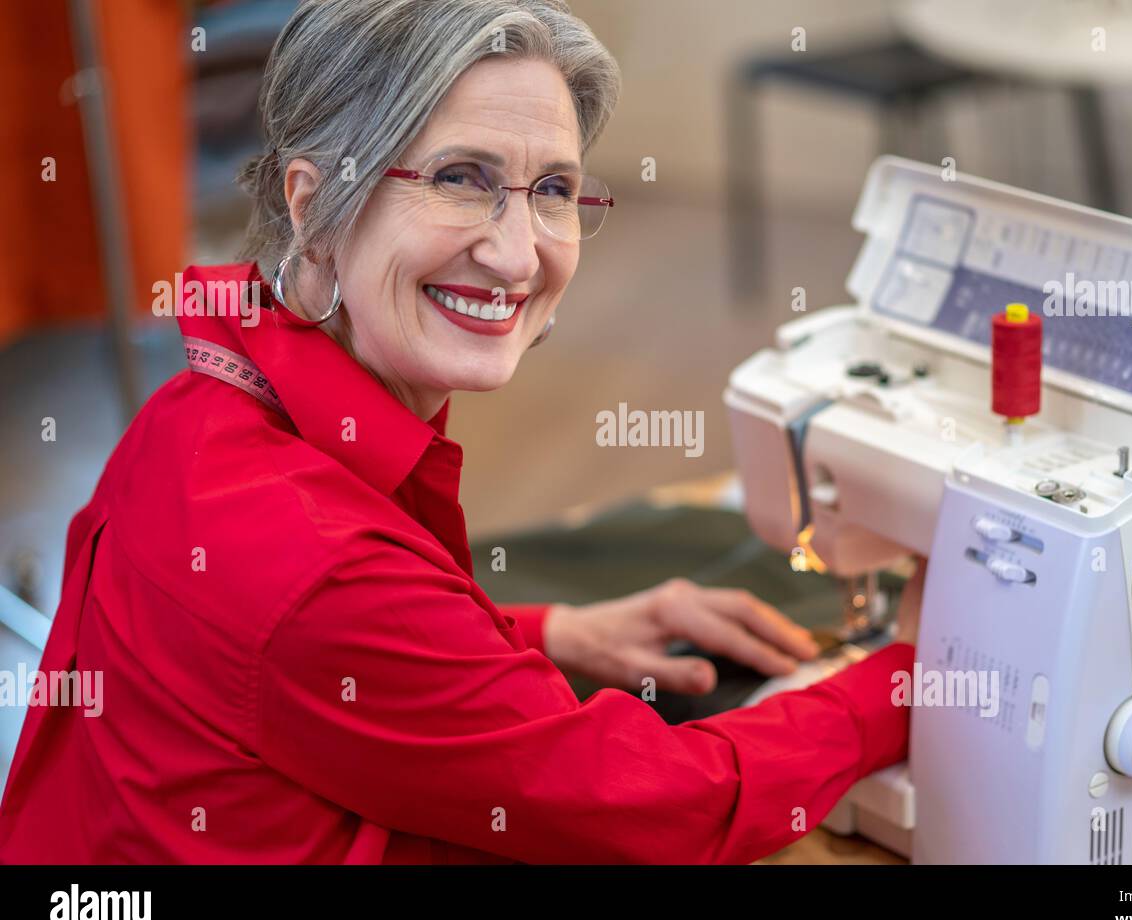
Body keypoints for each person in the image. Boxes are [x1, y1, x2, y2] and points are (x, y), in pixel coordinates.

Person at [0, 0, 916, 864]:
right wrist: (904, 685)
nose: (519, 255)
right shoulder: (314, 561)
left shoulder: (205, 401)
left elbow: (306, 666)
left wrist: (547, 634)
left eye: (551, 189)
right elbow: (666, 807)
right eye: (458, 179)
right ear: (315, 206)